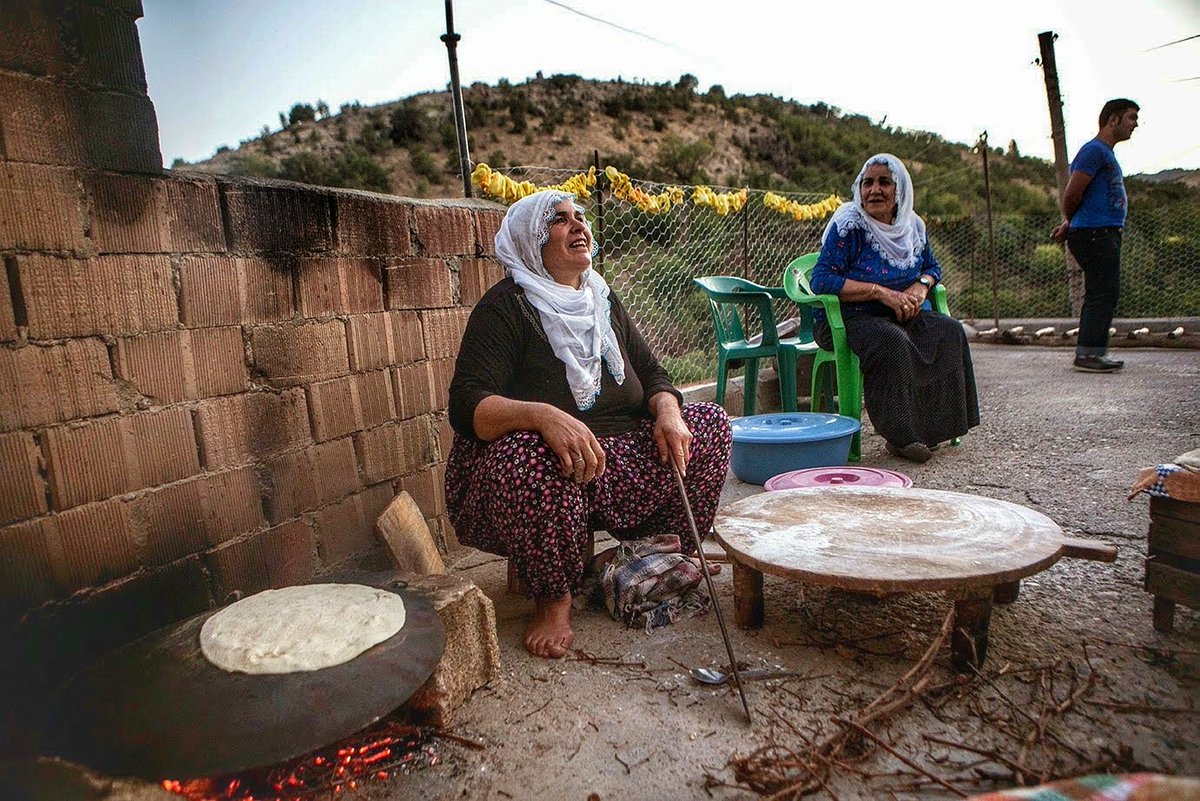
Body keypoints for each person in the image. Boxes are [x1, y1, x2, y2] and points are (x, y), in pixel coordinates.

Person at [445, 190, 732, 659]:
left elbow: (652, 373)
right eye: (560, 220)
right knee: (526, 456)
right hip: (555, 467)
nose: (579, 225)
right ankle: (554, 599)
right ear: (530, 241)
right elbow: (466, 404)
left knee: (710, 423)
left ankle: (663, 554)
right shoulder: (506, 308)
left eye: (580, 217)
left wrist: (667, 411)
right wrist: (542, 415)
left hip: (617, 458)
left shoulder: (601, 298)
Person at [810, 153, 979, 464]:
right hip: (847, 319)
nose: (874, 190)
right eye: (868, 183)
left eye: (884, 183)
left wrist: (921, 286)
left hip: (897, 315)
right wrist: (880, 293)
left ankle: (933, 429)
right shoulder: (849, 225)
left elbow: (932, 267)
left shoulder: (913, 226)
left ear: (900, 189)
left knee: (949, 331)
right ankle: (900, 436)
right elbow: (822, 280)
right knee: (893, 341)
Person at [1051, 98, 1140, 373]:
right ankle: (1089, 354)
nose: (1135, 124)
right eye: (1131, 117)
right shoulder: (1094, 151)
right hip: (1095, 233)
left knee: (1103, 291)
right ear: (1113, 120)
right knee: (1102, 292)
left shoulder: (1104, 153)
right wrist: (1071, 222)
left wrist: (1070, 224)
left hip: (1100, 232)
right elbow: (1072, 193)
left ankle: (1092, 352)